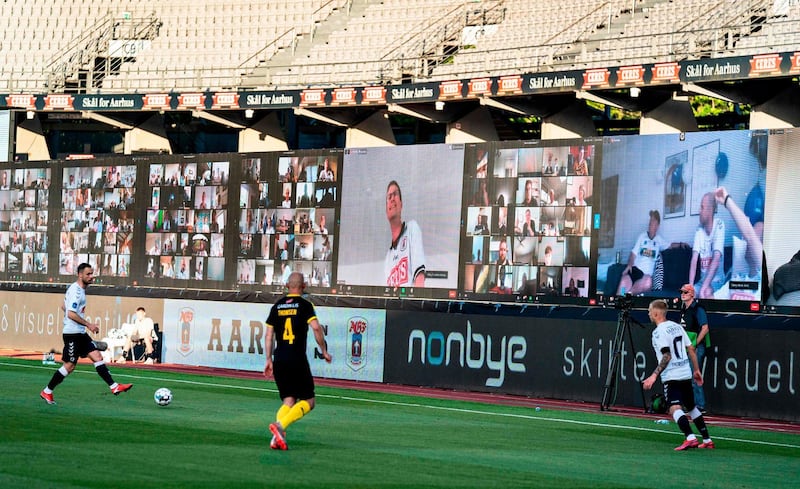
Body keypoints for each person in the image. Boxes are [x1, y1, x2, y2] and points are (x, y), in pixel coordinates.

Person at [40, 263, 132, 404]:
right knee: (70, 366)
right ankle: (47, 391)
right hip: (72, 334)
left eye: (92, 273)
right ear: (80, 275)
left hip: (80, 334)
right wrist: (89, 324)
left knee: (97, 356)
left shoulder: (77, 289)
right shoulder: (77, 292)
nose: (91, 276)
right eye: (88, 274)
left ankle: (114, 387)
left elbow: (63, 306)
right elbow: (70, 313)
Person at [263, 272, 332, 450]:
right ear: (304, 286)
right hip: (297, 359)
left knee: (289, 400)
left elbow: (269, 335)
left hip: (279, 358)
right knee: (309, 401)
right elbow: (316, 328)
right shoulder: (305, 305)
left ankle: (275, 438)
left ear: (287, 286)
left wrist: (268, 359)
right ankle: (280, 426)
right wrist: (323, 350)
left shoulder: (277, 306)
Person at [642, 299, 713, 450]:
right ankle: (707, 440)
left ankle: (690, 437)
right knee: (692, 407)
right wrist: (696, 370)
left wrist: (654, 376)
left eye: (649, 311)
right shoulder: (677, 327)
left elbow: (666, 356)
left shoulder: (658, 332)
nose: (648, 313)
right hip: (685, 373)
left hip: (672, 375)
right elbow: (691, 349)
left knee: (674, 408)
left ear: (655, 313)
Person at [617, 210, 670, 295]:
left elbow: (670, 245)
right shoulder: (642, 236)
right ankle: (620, 299)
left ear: (657, 226)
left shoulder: (659, 240)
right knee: (623, 283)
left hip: (645, 276)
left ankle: (628, 295)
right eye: (650, 221)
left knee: (648, 282)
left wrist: (681, 244)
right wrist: (629, 265)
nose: (650, 224)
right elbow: (633, 253)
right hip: (634, 271)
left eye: (652, 221)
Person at [385, 180, 425, 288]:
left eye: (395, 194)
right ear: (386, 209)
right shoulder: (387, 257)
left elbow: (420, 278)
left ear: (401, 204)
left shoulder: (412, 228)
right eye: (389, 197)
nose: (392, 198)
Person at [679, 284, 710, 414]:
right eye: (682, 292)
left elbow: (705, 328)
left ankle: (700, 405)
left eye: (685, 292)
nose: (682, 294)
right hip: (687, 348)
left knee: (694, 375)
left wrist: (695, 344)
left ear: (692, 294)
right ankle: (692, 405)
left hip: (695, 348)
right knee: (686, 376)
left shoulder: (698, 309)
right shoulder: (684, 309)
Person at [689, 192, 725, 298]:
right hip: (702, 282)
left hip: (716, 281)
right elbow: (694, 260)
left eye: (702, 207)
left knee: (704, 293)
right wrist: (690, 286)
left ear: (710, 210)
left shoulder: (719, 224)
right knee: (686, 296)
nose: (699, 211)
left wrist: (704, 287)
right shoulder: (699, 230)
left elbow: (716, 259)